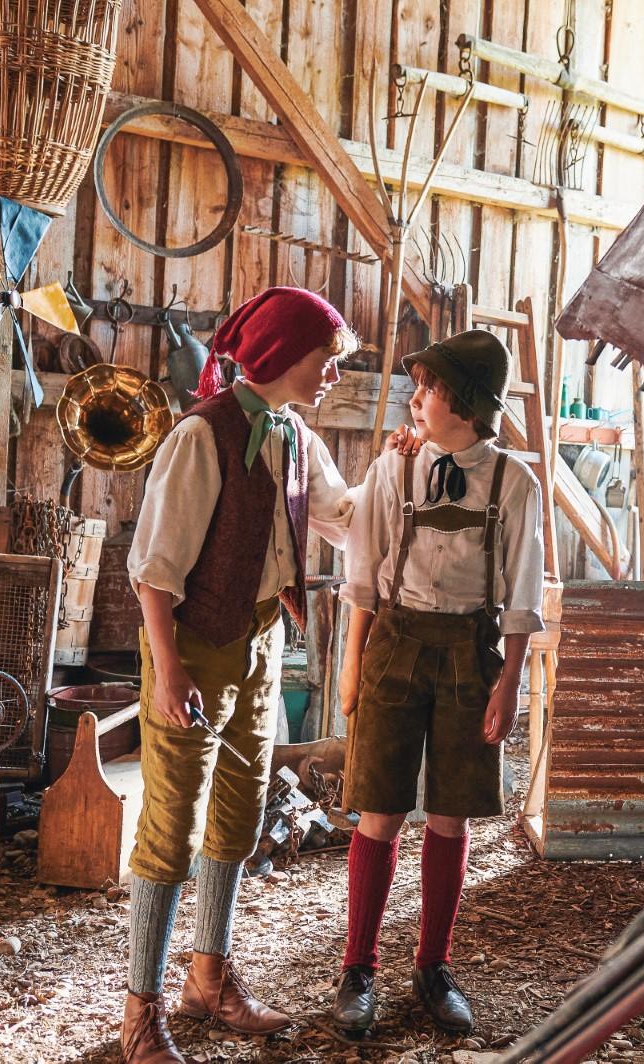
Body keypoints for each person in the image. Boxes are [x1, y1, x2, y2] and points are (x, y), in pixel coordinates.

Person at [119, 287, 409, 1063]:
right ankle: (139, 1009)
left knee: (240, 815)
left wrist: (394, 467)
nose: (332, 376)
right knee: (171, 824)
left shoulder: (293, 434)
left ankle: (209, 977)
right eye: (325, 361)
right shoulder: (200, 437)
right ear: (282, 355)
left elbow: (345, 518)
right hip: (190, 642)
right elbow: (153, 570)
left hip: (255, 640)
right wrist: (168, 669)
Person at [330, 329, 545, 1038]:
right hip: (396, 641)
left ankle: (432, 966)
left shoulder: (515, 482)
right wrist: (353, 667)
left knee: (450, 814)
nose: (416, 398)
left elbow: (521, 591)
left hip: (469, 651)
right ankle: (358, 968)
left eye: (430, 388)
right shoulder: (394, 470)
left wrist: (510, 680)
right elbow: (361, 577)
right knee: (379, 808)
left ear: (469, 404)